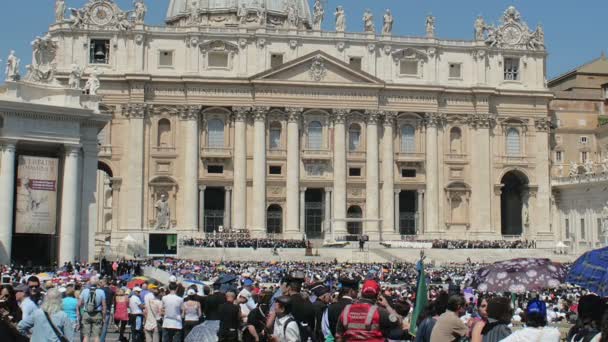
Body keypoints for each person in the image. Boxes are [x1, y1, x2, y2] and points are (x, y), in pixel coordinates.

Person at [335, 279, 401, 342]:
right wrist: (387, 306)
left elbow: (338, 336)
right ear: (378, 295)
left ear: (361, 293)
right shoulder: (381, 312)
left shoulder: (346, 310)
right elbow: (398, 321)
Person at [79, 277, 107, 342]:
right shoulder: (101, 292)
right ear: (97, 283)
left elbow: (79, 304)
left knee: (86, 336)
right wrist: (104, 317)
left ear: (90, 282)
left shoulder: (84, 291)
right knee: (97, 336)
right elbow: (104, 306)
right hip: (97, 313)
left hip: (86, 313)